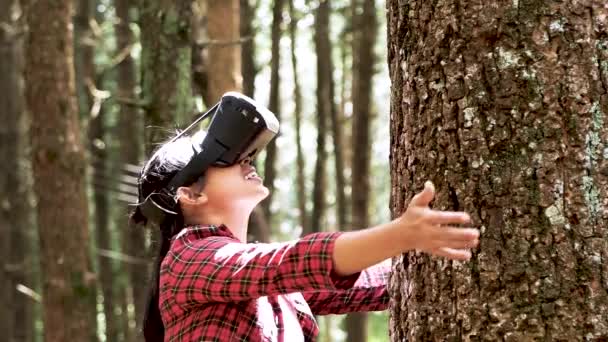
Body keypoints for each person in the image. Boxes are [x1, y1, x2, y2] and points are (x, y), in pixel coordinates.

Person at [131, 127, 479, 342]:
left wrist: (439, 243)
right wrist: (402, 234)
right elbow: (288, 263)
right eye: (224, 158)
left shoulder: (263, 283)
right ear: (191, 195)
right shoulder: (187, 259)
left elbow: (378, 281)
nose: (247, 158)